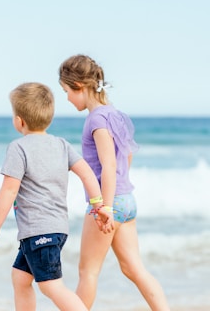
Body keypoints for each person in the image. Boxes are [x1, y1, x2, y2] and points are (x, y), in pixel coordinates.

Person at [0, 82, 113, 311]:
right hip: (55, 229)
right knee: (20, 278)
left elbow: (9, 190)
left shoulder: (18, 148)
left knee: (51, 286)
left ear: (19, 120)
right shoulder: (61, 144)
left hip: (38, 231)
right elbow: (88, 174)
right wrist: (98, 204)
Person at [58, 54, 171, 311]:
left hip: (108, 205)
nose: (66, 98)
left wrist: (106, 207)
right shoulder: (115, 114)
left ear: (80, 87)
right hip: (127, 200)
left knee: (88, 271)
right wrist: (118, 195)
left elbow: (108, 165)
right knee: (133, 268)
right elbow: (126, 155)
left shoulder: (96, 119)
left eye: (66, 91)